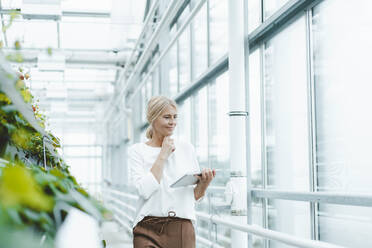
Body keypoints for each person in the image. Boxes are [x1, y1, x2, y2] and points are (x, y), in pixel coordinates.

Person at [128, 95, 216, 248]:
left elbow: (193, 197)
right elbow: (144, 190)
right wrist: (163, 154)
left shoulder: (186, 148)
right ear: (153, 119)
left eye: (175, 117)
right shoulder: (137, 151)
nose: (173, 122)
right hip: (147, 227)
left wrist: (204, 184)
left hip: (181, 227)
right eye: (167, 117)